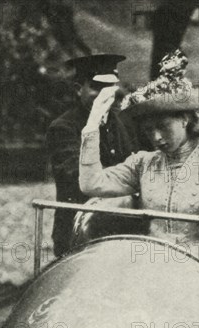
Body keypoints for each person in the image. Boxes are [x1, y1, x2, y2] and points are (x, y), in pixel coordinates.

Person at [78, 52, 199, 258]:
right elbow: (91, 184)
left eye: (163, 127)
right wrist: (92, 124)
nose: (156, 137)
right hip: (151, 264)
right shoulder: (143, 164)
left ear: (184, 119)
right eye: (148, 130)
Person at [48, 54, 138, 257]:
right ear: (78, 88)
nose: (103, 95)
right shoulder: (63, 128)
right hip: (79, 230)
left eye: (110, 88)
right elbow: (75, 176)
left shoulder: (125, 122)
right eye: (96, 87)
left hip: (125, 228)